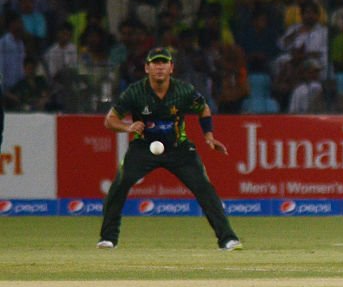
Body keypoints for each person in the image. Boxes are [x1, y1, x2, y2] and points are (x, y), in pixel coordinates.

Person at [97, 47, 242, 251]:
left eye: (163, 63)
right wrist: (128, 126)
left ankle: (227, 239)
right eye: (155, 63)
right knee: (120, 184)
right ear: (147, 68)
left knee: (204, 188)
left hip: (178, 148)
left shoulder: (183, 91)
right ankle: (108, 238)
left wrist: (209, 135)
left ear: (171, 68)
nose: (159, 67)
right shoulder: (135, 92)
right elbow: (109, 121)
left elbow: (204, 109)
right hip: (143, 147)